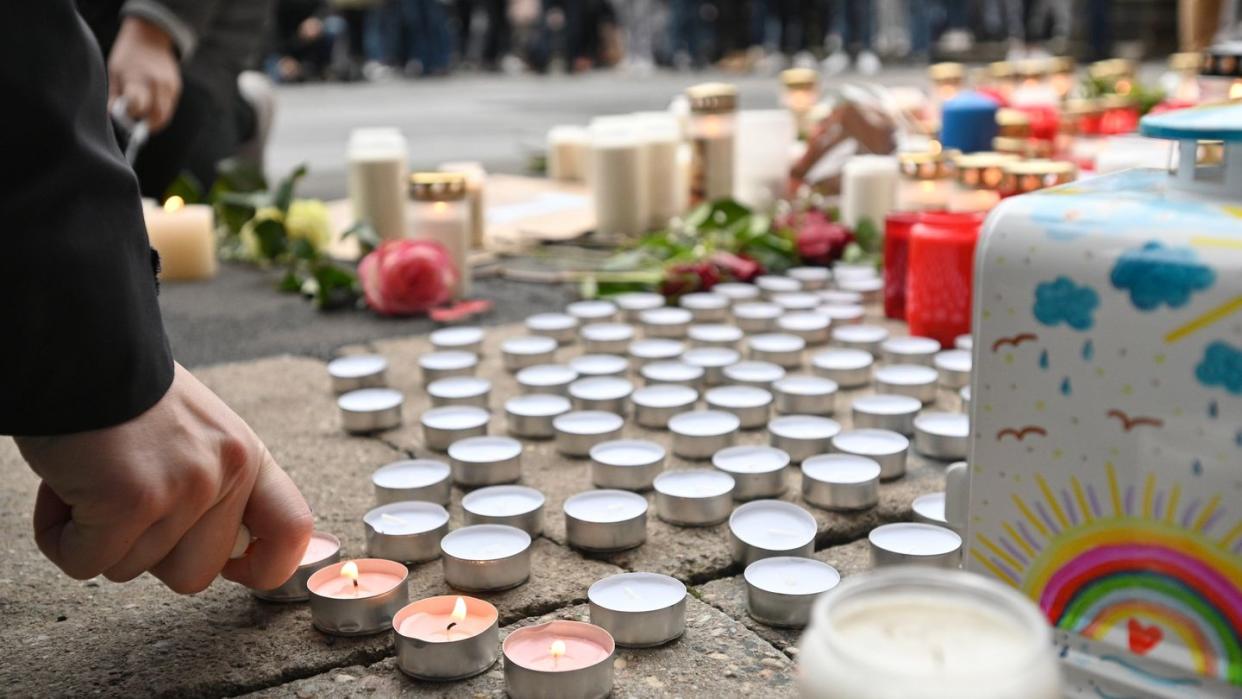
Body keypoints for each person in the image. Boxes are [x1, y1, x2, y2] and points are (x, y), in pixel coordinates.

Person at [3, 2, 313, 594]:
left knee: (182, 143)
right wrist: (99, 373)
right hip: (68, 42)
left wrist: (159, 25)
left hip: (192, 35)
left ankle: (240, 106)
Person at [75, 0, 273, 197]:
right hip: (86, 45)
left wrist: (155, 26)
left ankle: (241, 113)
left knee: (177, 179)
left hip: (180, 44)